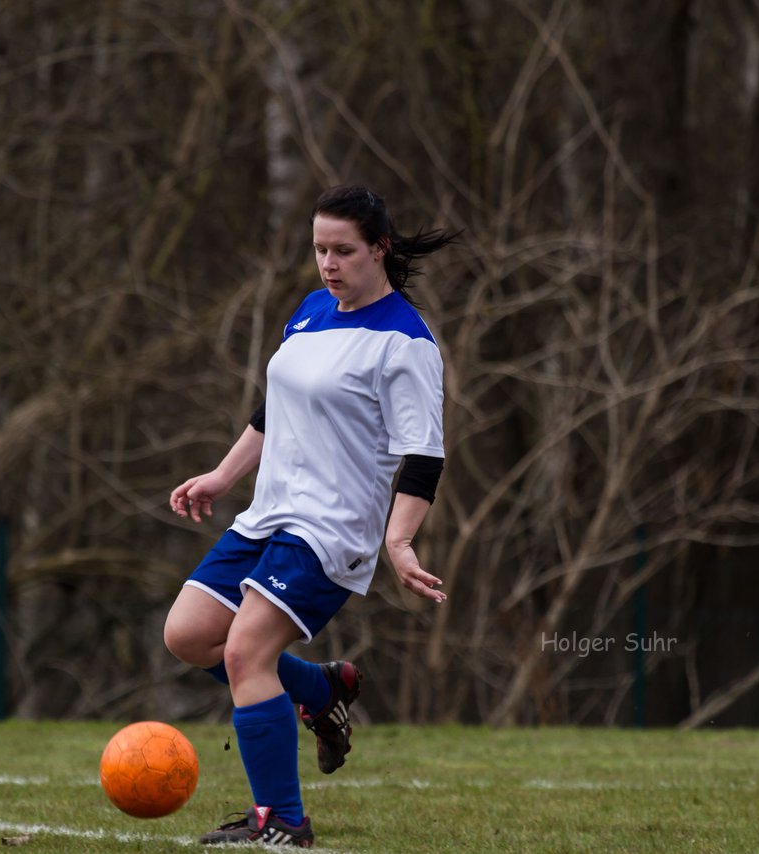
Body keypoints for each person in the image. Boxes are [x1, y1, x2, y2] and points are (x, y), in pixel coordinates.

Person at [163, 185, 455, 847]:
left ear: (379, 248)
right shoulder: (312, 310)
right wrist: (221, 474)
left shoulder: (405, 343)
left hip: (333, 530)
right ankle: (320, 694)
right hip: (271, 514)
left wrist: (399, 543)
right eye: (320, 248)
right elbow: (275, 410)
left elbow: (423, 455)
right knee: (189, 634)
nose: (328, 263)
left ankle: (283, 822)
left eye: (343, 251)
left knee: (244, 652)